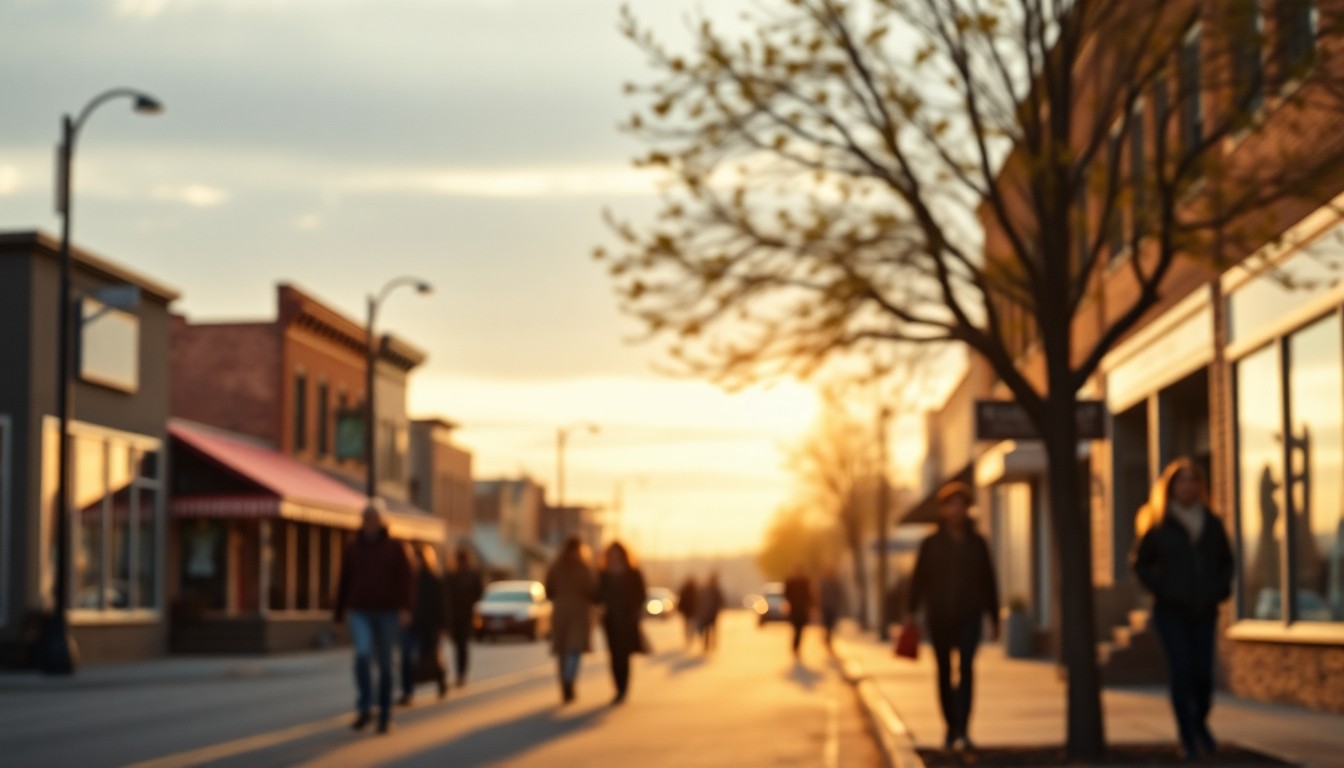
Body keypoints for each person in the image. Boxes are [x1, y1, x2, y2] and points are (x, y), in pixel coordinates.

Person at [1131, 458, 1234, 762]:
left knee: (1203, 676)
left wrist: (1220, 589)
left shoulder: (1212, 524)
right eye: (1182, 480)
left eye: (1193, 480)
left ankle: (1199, 722)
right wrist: (1162, 590)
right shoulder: (1159, 524)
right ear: (1171, 486)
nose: (1187, 486)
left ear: (1200, 487)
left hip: (1204, 610)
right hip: (1171, 613)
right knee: (1182, 673)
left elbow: (1227, 562)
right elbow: (1139, 564)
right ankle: (1187, 739)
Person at [904, 481, 999, 751]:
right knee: (944, 672)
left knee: (967, 669)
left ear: (967, 509)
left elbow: (988, 581)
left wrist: (993, 616)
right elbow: (918, 580)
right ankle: (950, 727)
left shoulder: (978, 543)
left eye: (961, 505)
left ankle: (964, 728)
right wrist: (911, 612)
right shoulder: (931, 544)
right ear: (944, 510)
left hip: (970, 616)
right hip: (939, 617)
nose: (956, 510)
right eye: (951, 505)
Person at [333, 503, 414, 734]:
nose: (370, 523)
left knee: (386, 664)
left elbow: (407, 580)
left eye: (374, 519)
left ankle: (385, 714)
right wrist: (338, 615)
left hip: (388, 612)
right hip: (360, 612)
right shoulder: (353, 548)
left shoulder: (396, 547)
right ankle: (365, 706)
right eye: (366, 519)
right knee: (362, 655)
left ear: (382, 522)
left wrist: (405, 608)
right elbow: (344, 582)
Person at [545, 535, 596, 704]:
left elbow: (548, 590)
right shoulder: (584, 568)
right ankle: (568, 681)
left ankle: (566, 683)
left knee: (564, 651)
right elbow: (593, 591)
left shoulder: (555, 566)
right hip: (579, 613)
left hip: (561, 611)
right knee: (573, 650)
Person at [595, 540, 647, 704]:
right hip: (610, 620)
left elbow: (641, 594)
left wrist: (635, 611)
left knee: (624, 655)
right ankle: (618, 688)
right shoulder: (603, 573)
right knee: (614, 655)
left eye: (618, 554)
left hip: (627, 619)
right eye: (612, 554)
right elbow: (597, 594)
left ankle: (623, 689)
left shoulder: (633, 572)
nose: (615, 557)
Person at [398, 543, 449, 705]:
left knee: (431, 657)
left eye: (419, 559)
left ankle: (441, 681)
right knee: (407, 657)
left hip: (430, 626)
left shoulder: (434, 580)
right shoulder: (408, 580)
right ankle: (407, 692)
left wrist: (442, 627)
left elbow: (443, 605)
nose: (416, 562)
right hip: (412, 624)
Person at [443, 546, 484, 688]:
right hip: (454, 616)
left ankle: (461, 674)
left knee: (462, 646)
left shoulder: (472, 576)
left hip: (465, 615)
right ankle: (459, 674)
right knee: (458, 646)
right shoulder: (451, 575)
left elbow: (479, 593)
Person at [783, 565, 814, 658]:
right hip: (794, 610)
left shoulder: (805, 581)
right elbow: (786, 594)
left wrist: (811, 606)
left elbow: (809, 594)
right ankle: (795, 647)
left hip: (803, 610)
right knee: (796, 629)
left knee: (800, 630)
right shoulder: (790, 582)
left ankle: (797, 647)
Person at [818, 565, 845, 652]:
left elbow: (839, 594)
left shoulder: (835, 583)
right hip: (826, 607)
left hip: (832, 607)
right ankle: (827, 639)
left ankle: (828, 639)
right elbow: (819, 594)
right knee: (827, 624)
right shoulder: (824, 583)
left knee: (831, 625)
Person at [696, 571, 724, 652]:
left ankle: (706, 644)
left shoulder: (706, 588)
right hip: (712, 613)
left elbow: (699, 600)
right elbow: (720, 600)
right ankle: (712, 643)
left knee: (707, 629)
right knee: (713, 629)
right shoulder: (715, 588)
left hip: (706, 613)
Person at [676, 576, 699, 648]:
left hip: (687, 611)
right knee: (691, 625)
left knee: (687, 625)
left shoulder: (685, 589)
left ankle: (687, 637)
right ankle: (690, 637)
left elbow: (681, 599)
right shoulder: (695, 590)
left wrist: (680, 608)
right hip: (692, 611)